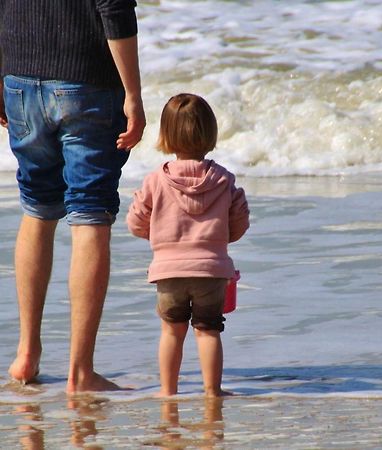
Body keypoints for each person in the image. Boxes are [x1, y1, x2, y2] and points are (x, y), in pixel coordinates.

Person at [0, 0, 146, 393]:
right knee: (90, 212)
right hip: (86, 80)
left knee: (37, 207)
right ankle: (81, 371)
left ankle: (26, 354)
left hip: (19, 76)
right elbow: (114, 8)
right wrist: (133, 92)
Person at [127, 93, 249, 397]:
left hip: (168, 271)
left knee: (171, 331)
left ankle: (168, 391)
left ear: (165, 135)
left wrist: (161, 240)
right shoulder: (224, 179)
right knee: (208, 331)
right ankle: (212, 391)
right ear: (210, 132)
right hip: (211, 270)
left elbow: (135, 222)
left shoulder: (156, 180)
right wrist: (218, 241)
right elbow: (238, 225)